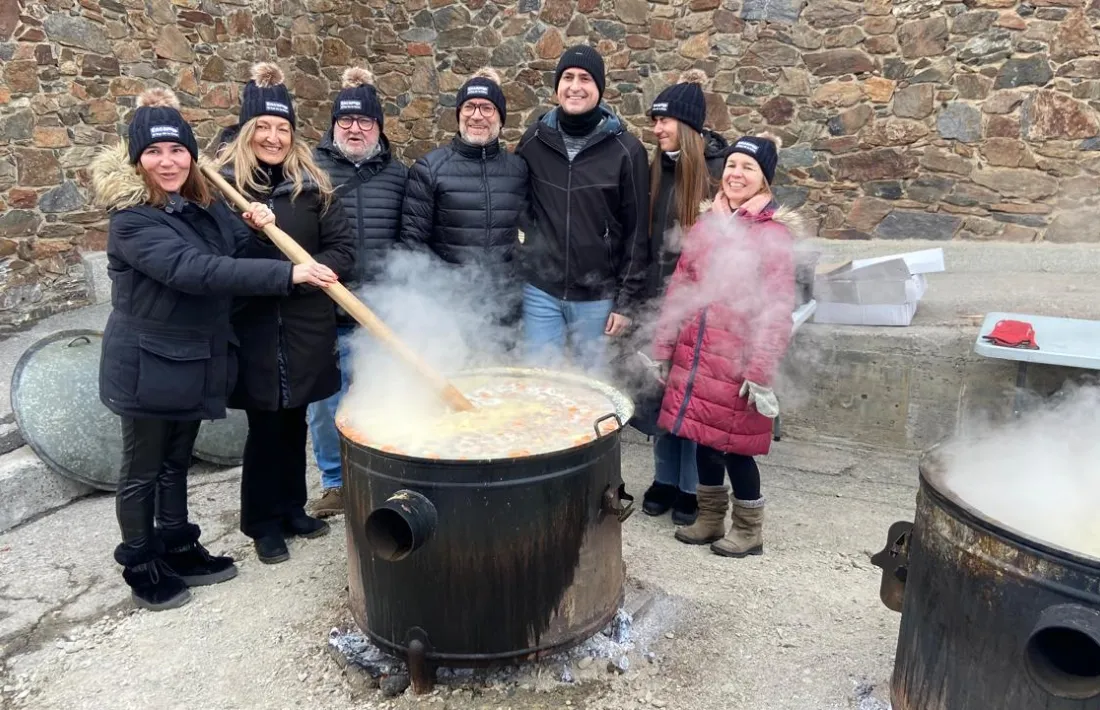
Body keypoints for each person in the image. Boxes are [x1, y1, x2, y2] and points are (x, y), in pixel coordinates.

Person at [90, 87, 339, 610]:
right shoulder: (133, 220)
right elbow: (194, 270)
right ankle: (140, 563)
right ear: (136, 161)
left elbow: (237, 250)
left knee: (175, 460)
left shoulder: (201, 207)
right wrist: (289, 271)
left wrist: (257, 229)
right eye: (154, 153)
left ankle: (179, 545)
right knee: (142, 468)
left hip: (191, 357)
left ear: (190, 156)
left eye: (177, 150)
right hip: (145, 361)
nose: (167, 161)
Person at [215, 63, 356, 564]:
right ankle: (262, 523)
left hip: (305, 325)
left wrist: (318, 268)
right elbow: (220, 264)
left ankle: (293, 507)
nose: (273, 137)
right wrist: (256, 233)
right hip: (253, 326)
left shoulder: (312, 186)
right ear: (248, 131)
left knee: (295, 419)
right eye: (264, 128)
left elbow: (343, 249)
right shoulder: (223, 190)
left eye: (283, 128)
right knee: (265, 427)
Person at [652, 133, 799, 558]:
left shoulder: (773, 237)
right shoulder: (705, 225)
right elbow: (680, 288)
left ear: (764, 181)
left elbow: (776, 310)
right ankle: (711, 519)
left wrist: (760, 373)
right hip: (697, 356)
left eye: (748, 168)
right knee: (703, 441)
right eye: (732, 165)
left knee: (735, 449)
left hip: (737, 364)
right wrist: (663, 347)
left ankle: (749, 529)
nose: (736, 174)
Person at [638, 71, 773, 527]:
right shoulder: (655, 166)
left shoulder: (722, 171)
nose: (657, 129)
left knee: (699, 403)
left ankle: (693, 489)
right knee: (662, 402)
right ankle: (665, 479)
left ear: (688, 126)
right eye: (654, 120)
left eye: (665, 120)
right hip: (662, 295)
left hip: (708, 313)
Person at [306, 66, 408, 519]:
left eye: (365, 121)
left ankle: (380, 475)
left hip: (382, 308)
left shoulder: (400, 175)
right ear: (333, 125)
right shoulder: (310, 169)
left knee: (385, 396)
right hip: (325, 306)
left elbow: (411, 238)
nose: (355, 128)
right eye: (346, 120)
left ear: (379, 127)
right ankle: (335, 482)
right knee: (327, 404)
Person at [515, 45, 650, 376]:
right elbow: (520, 208)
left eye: (585, 78)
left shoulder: (626, 150)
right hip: (541, 292)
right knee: (540, 383)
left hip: (597, 298)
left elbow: (637, 232)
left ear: (599, 89)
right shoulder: (534, 139)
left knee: (592, 390)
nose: (575, 86)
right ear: (557, 85)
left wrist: (626, 302)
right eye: (568, 77)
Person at [400, 67, 527, 344]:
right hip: (450, 308)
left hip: (505, 306)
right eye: (469, 107)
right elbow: (413, 245)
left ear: (501, 118)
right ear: (458, 114)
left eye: (487, 108)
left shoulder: (518, 169)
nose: (477, 115)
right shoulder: (429, 169)